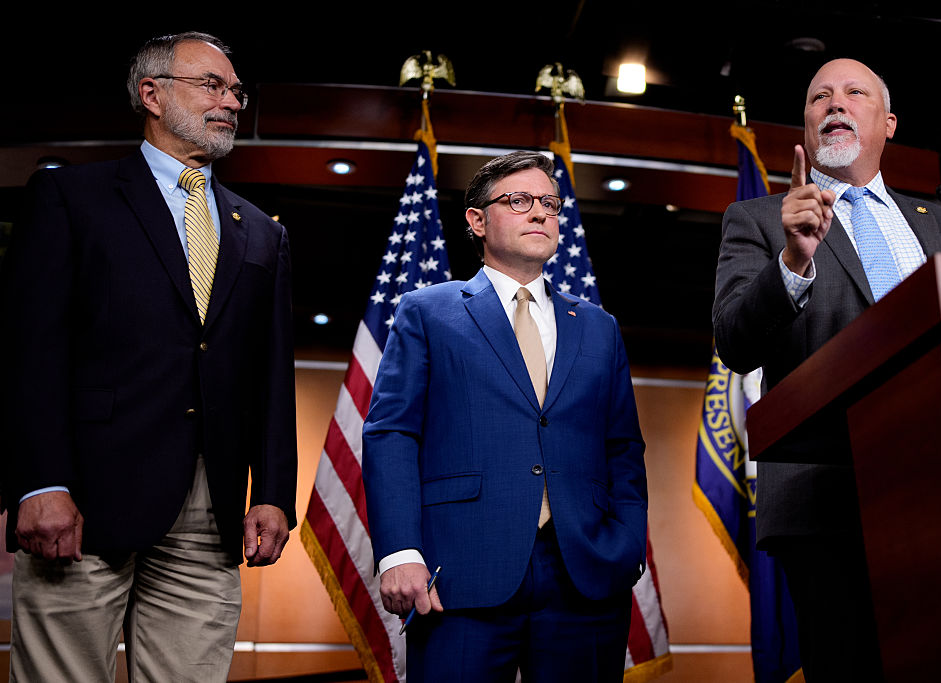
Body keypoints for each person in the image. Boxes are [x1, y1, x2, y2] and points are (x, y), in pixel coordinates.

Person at [0, 32, 297, 681]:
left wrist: (273, 491)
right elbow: (31, 349)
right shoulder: (71, 198)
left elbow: (270, 373)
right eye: (212, 85)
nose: (231, 102)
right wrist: (40, 480)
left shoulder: (262, 231)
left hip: (208, 505)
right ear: (152, 93)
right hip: (82, 497)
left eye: (237, 91)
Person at [713, 58, 941, 681]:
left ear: (887, 123)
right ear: (806, 128)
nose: (835, 103)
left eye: (854, 93)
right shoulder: (758, 219)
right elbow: (735, 342)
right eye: (819, 97)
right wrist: (792, 263)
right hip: (826, 499)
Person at [362, 151, 647, 682]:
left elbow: (623, 447)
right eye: (519, 201)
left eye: (549, 203)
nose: (539, 213)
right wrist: (398, 550)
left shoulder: (598, 327)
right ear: (476, 219)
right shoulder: (427, 311)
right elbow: (392, 433)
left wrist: (627, 542)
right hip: (459, 573)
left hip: (586, 575)